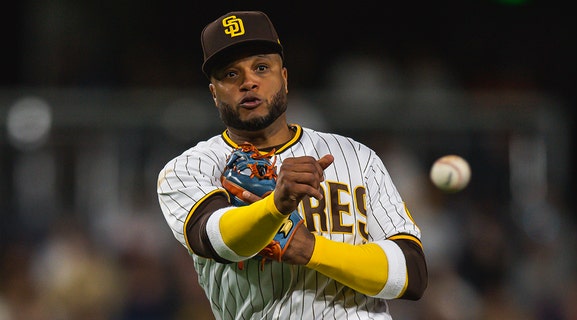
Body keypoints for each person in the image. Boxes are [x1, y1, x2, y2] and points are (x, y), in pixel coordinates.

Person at [157, 10, 428, 319]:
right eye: (231, 74)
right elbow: (214, 239)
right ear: (213, 93)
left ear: (284, 78)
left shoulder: (356, 156)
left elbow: (411, 274)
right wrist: (276, 205)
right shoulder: (189, 168)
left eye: (261, 67)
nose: (248, 82)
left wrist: (312, 250)